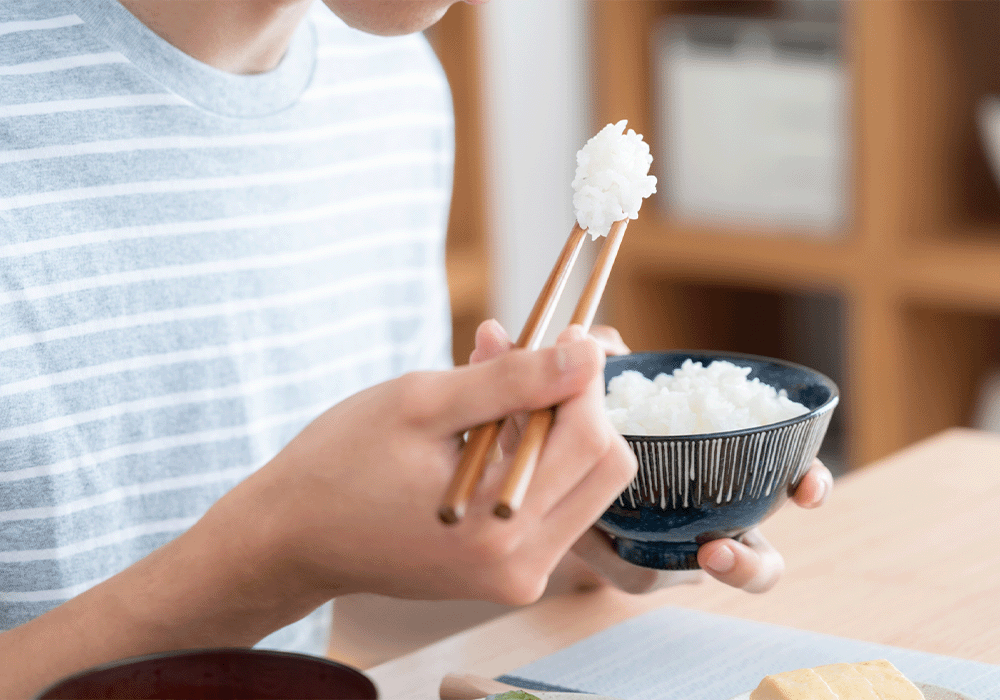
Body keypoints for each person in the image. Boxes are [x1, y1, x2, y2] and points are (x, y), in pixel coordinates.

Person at [0, 0, 834, 696]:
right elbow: (287, 567)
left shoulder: (387, 83)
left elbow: (344, 614)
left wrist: (566, 527)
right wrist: (270, 554)